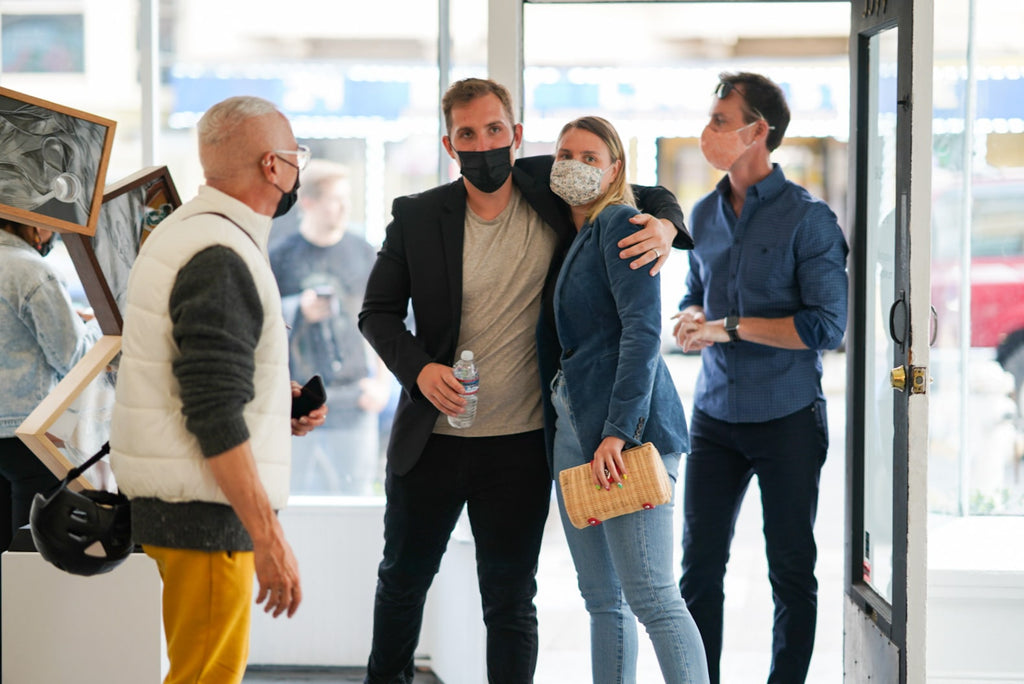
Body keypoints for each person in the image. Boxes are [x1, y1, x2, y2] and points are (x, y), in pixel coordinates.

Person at [359, 77, 691, 684]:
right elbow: (375, 313)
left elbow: (643, 191)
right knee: (403, 585)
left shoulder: (553, 187)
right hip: (433, 437)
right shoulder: (415, 216)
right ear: (448, 142)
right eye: (467, 134)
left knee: (511, 602)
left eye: (494, 130)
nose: (482, 144)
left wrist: (666, 227)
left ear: (515, 136)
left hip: (522, 444)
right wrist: (420, 369)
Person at [109, 95, 327, 684]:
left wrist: (273, 403)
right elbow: (209, 407)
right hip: (206, 516)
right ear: (271, 167)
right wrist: (268, 535)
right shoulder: (220, 252)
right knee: (207, 676)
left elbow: (202, 378)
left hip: (192, 509)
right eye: (295, 154)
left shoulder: (195, 232)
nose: (296, 168)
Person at [673, 72, 848, 684]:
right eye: (712, 119)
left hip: (788, 419)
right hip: (715, 418)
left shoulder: (809, 219)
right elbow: (696, 294)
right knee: (697, 573)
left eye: (722, 122)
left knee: (791, 571)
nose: (709, 132)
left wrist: (731, 327)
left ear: (757, 132)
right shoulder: (702, 213)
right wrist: (692, 319)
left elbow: (827, 326)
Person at [548, 115, 709, 684]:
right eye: (565, 153)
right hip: (574, 429)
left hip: (625, 433)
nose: (574, 165)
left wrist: (618, 429)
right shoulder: (581, 229)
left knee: (653, 598)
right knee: (601, 599)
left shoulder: (620, 221)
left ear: (616, 169)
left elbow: (643, 332)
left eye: (590, 157)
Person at [270, 160, 391, 495]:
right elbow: (260, 323)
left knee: (355, 499)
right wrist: (298, 307)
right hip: (298, 405)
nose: (344, 208)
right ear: (308, 202)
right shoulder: (280, 256)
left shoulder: (364, 253)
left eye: (346, 198)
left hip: (355, 400)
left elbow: (383, 321)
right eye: (335, 199)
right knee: (292, 500)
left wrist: (380, 384)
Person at [0, 220, 99, 551]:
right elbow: (73, 358)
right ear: (34, 225)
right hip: (26, 439)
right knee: (29, 554)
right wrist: (99, 326)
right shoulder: (32, 271)